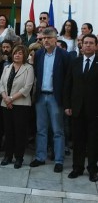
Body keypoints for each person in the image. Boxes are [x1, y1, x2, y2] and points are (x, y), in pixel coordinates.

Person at [30, 27, 70, 173]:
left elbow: (67, 80)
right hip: (41, 97)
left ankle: (58, 160)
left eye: (48, 38)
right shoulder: (39, 54)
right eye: (43, 38)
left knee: (58, 130)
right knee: (41, 129)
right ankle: (40, 157)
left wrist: (66, 100)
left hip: (55, 97)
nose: (45, 40)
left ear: (55, 39)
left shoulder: (64, 56)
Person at [64, 34, 98, 182]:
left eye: (91, 43)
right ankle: (77, 167)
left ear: (96, 46)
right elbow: (68, 85)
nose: (88, 45)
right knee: (78, 141)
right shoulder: (75, 62)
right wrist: (67, 105)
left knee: (93, 141)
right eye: (86, 43)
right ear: (81, 45)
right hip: (76, 109)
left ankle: (92, 169)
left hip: (95, 110)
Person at [0, 45, 34, 168]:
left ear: (24, 55)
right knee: (8, 131)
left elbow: (27, 88)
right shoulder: (7, 67)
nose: (17, 55)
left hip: (21, 105)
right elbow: (1, 84)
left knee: (20, 132)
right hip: (6, 104)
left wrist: (11, 98)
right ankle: (8, 156)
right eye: (15, 53)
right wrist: (5, 97)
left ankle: (19, 157)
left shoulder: (28, 68)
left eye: (20, 53)